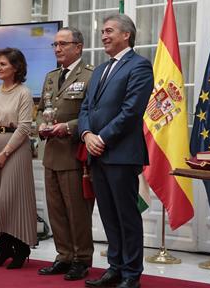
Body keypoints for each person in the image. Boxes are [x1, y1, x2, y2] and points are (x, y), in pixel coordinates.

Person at [78, 14, 154, 288]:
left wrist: (102, 138)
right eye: (102, 32)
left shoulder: (140, 66)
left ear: (126, 34)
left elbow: (132, 111)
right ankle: (115, 267)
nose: (103, 36)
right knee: (108, 215)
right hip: (96, 153)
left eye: (109, 31)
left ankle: (132, 274)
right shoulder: (99, 70)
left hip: (121, 154)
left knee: (126, 216)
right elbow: (86, 107)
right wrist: (86, 135)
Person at [36, 27, 94, 281]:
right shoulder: (51, 77)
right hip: (51, 155)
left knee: (77, 212)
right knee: (56, 211)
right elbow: (41, 108)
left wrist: (68, 127)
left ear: (78, 47)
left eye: (63, 44)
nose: (57, 49)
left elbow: (92, 114)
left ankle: (81, 259)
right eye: (55, 45)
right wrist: (40, 124)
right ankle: (63, 256)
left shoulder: (91, 76)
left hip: (74, 156)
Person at [0, 47, 37, 269]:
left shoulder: (24, 92)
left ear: (16, 67)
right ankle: (4, 249)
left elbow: (24, 127)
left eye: (3, 64)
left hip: (15, 151)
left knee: (9, 200)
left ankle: (21, 248)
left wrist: (3, 154)